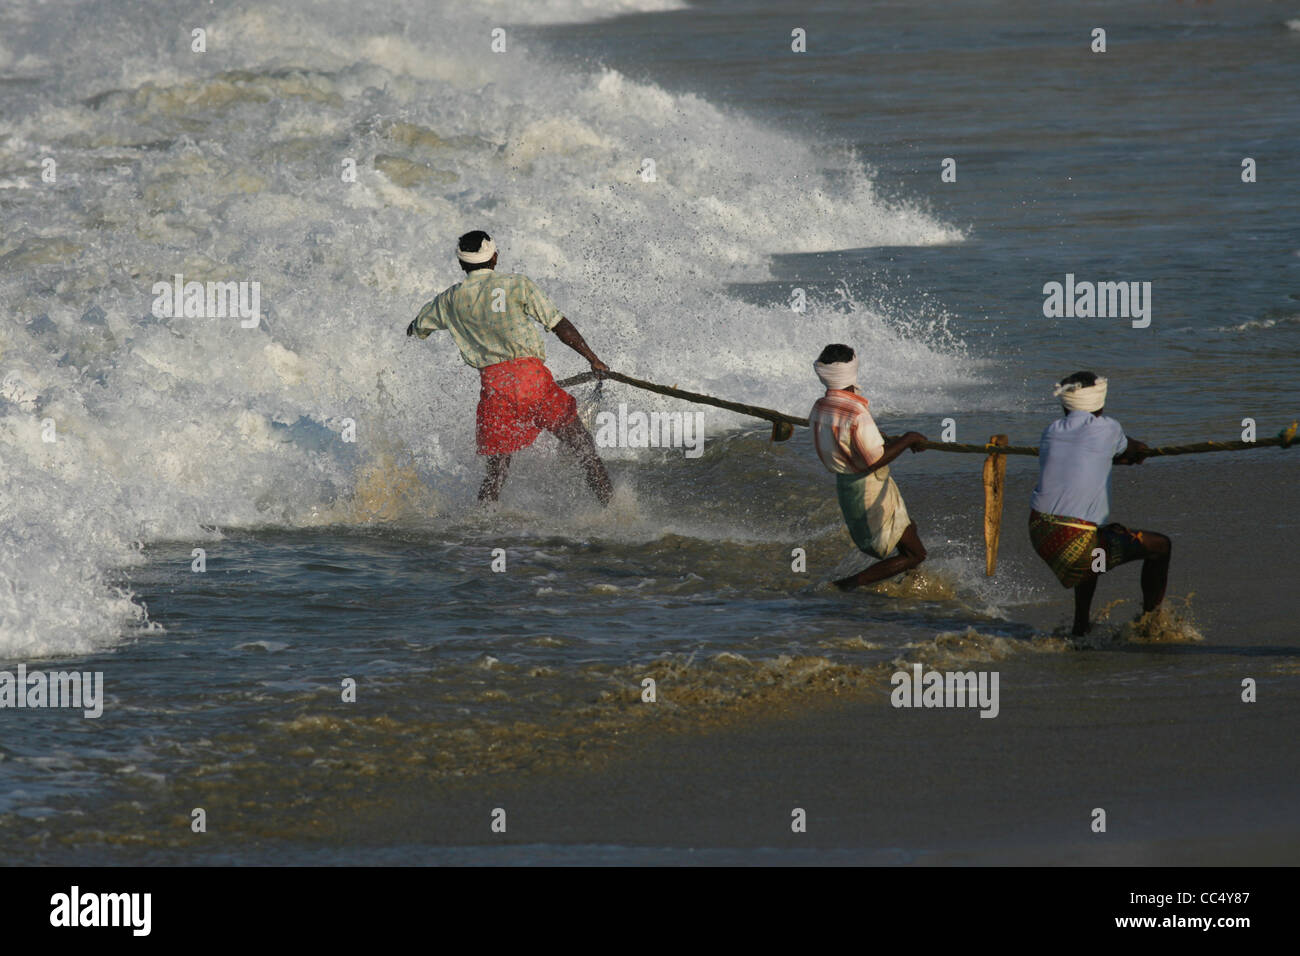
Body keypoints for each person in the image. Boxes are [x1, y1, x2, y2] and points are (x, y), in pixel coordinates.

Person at [407, 230, 613, 505]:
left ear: (461, 264)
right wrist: (593, 359)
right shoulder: (517, 285)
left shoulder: (449, 300)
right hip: (534, 383)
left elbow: (416, 328)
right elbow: (559, 326)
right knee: (585, 450)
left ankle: (482, 526)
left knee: (497, 473)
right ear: (494, 257)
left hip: (495, 390)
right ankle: (612, 510)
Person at [1028, 371, 1171, 636]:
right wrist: (1138, 451)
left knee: (1095, 542)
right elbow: (1129, 449)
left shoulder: (1050, 431)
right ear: (1100, 402)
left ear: (1065, 404)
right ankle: (1151, 623)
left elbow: (1082, 457)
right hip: (1075, 539)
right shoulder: (1109, 428)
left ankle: (1081, 626)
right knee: (1160, 547)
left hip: (1040, 532)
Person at [808, 344, 928, 588]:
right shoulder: (856, 412)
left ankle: (910, 584)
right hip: (868, 489)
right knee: (916, 554)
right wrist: (908, 439)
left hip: (846, 486)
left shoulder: (819, 407)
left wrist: (885, 438)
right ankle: (846, 585)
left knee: (909, 529)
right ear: (852, 370)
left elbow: (844, 442)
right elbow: (873, 461)